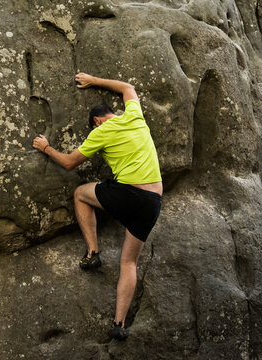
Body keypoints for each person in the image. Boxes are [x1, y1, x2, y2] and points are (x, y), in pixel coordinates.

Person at [32, 72, 163, 340]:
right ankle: (119, 324)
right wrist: (94, 80)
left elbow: (69, 162)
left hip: (129, 193)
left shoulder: (102, 131)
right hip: (153, 201)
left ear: (97, 121)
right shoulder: (135, 117)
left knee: (80, 193)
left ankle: (93, 252)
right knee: (129, 262)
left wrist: (46, 148)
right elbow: (128, 87)